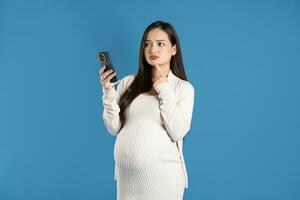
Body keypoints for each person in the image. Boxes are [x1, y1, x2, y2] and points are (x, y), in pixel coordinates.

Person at [99, 20, 195, 200]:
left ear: (174, 49)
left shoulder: (183, 89)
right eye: (147, 44)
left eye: (160, 44)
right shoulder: (128, 83)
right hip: (127, 180)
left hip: (163, 180)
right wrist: (108, 91)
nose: (153, 49)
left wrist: (164, 88)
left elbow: (178, 131)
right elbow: (113, 127)